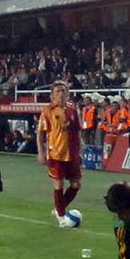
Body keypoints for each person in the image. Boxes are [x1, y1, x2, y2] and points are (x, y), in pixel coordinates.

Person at [38, 81, 84, 226]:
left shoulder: (72, 109)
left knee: (76, 184)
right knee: (59, 184)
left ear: (68, 93)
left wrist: (80, 150)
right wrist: (41, 151)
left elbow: (77, 130)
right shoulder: (47, 111)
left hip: (72, 153)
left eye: (63, 91)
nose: (60, 94)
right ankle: (62, 217)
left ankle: (59, 207)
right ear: (52, 94)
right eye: (57, 91)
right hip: (56, 153)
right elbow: (40, 133)